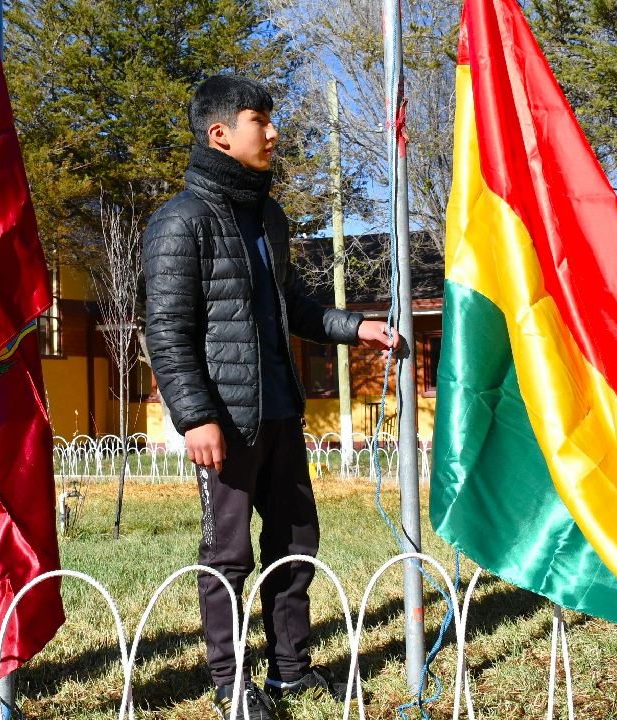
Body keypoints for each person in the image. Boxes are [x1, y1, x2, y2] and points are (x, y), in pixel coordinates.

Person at [142, 75, 399, 719]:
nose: (274, 132)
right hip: (224, 423)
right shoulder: (180, 222)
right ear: (220, 134)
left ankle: (290, 670)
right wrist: (196, 417)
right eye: (262, 120)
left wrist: (355, 326)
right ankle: (229, 683)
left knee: (295, 539)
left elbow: (296, 309)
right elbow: (166, 333)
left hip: (282, 412)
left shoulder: (268, 217)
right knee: (227, 552)